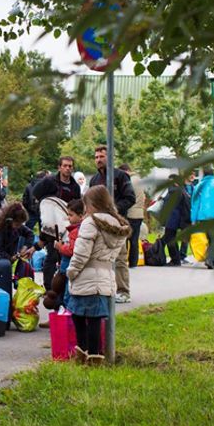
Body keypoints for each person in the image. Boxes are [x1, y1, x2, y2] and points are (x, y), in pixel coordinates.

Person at [65, 185, 130, 366]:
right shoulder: (118, 225)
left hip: (86, 275)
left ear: (91, 203)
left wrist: (71, 272)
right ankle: (95, 358)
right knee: (95, 320)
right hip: (105, 278)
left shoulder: (90, 223)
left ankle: (84, 355)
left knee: (78, 316)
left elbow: (81, 254)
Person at [30, 156, 83, 300]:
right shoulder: (49, 182)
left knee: (66, 255)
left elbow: (78, 204)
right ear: (59, 167)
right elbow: (34, 193)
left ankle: (64, 287)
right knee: (52, 255)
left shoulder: (74, 186)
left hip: (68, 225)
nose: (67, 168)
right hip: (51, 224)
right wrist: (43, 208)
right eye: (65, 166)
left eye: (70, 166)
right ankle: (49, 289)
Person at [88, 146, 136, 303]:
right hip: (99, 224)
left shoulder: (121, 176)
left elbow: (130, 198)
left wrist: (114, 210)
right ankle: (103, 289)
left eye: (102, 156)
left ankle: (123, 291)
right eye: (96, 157)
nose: (99, 159)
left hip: (117, 223)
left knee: (120, 257)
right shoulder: (94, 180)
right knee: (100, 257)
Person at [120, 164, 147, 268]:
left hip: (130, 213)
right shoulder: (139, 180)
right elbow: (143, 197)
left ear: (125, 171)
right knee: (135, 240)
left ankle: (124, 261)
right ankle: (133, 263)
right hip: (139, 214)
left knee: (125, 239)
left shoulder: (128, 181)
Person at [162, 174, 192, 266]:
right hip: (178, 218)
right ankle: (176, 259)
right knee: (171, 238)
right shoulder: (183, 191)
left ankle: (175, 260)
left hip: (172, 218)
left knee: (169, 238)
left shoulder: (173, 191)